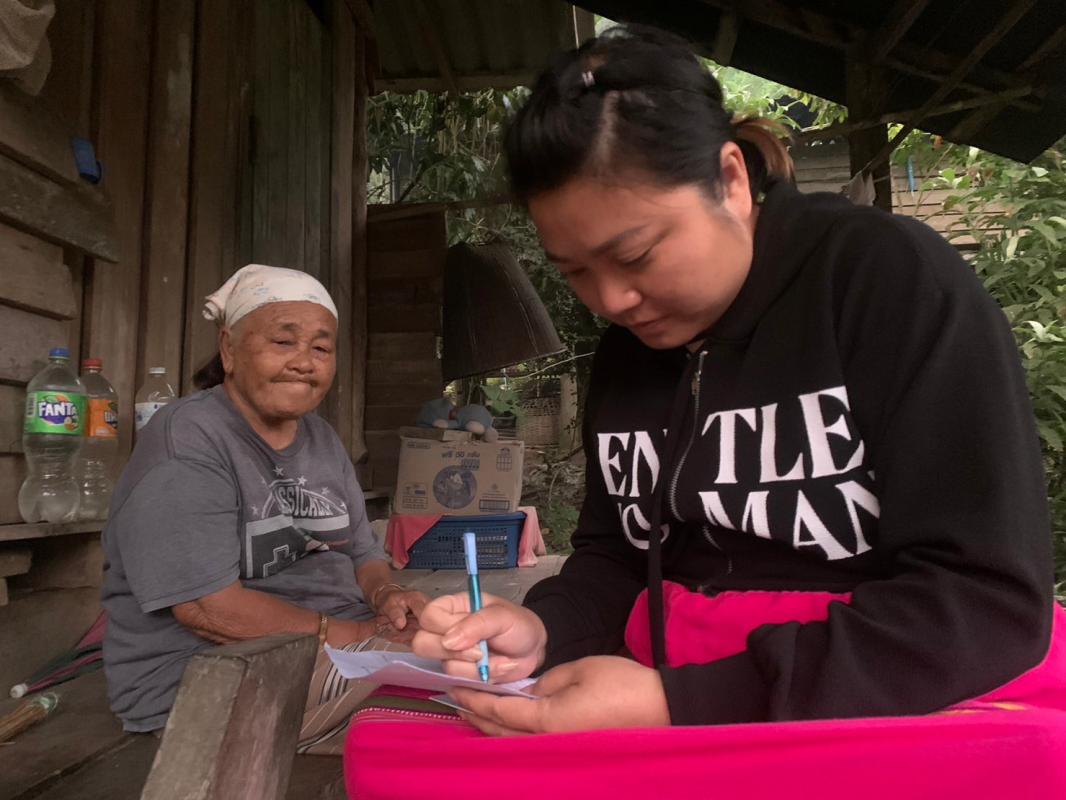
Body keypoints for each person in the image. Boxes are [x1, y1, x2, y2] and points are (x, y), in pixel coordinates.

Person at [413, 27, 1058, 735]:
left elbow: (985, 600)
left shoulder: (887, 285)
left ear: (730, 178)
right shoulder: (628, 353)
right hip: (673, 701)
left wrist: (678, 706)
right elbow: (617, 555)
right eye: (574, 272)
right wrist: (541, 628)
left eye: (636, 254)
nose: (612, 301)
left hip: (882, 722)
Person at [101, 264, 428, 754]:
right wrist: (360, 635)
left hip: (340, 644)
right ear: (229, 349)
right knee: (462, 715)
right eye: (283, 342)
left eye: (321, 347)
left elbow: (363, 552)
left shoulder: (322, 438)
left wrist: (388, 595)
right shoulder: (187, 438)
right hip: (212, 673)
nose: (304, 361)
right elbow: (207, 608)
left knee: (498, 656)